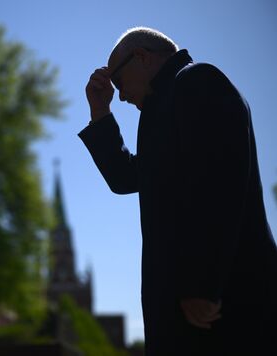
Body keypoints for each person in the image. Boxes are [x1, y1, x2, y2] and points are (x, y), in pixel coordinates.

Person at [79, 27, 277, 355]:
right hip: (202, 310)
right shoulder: (166, 103)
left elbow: (221, 183)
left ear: (141, 56)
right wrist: (100, 113)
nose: (122, 95)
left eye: (118, 82)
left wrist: (202, 285)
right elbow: (126, 178)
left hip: (226, 306)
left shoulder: (198, 80)